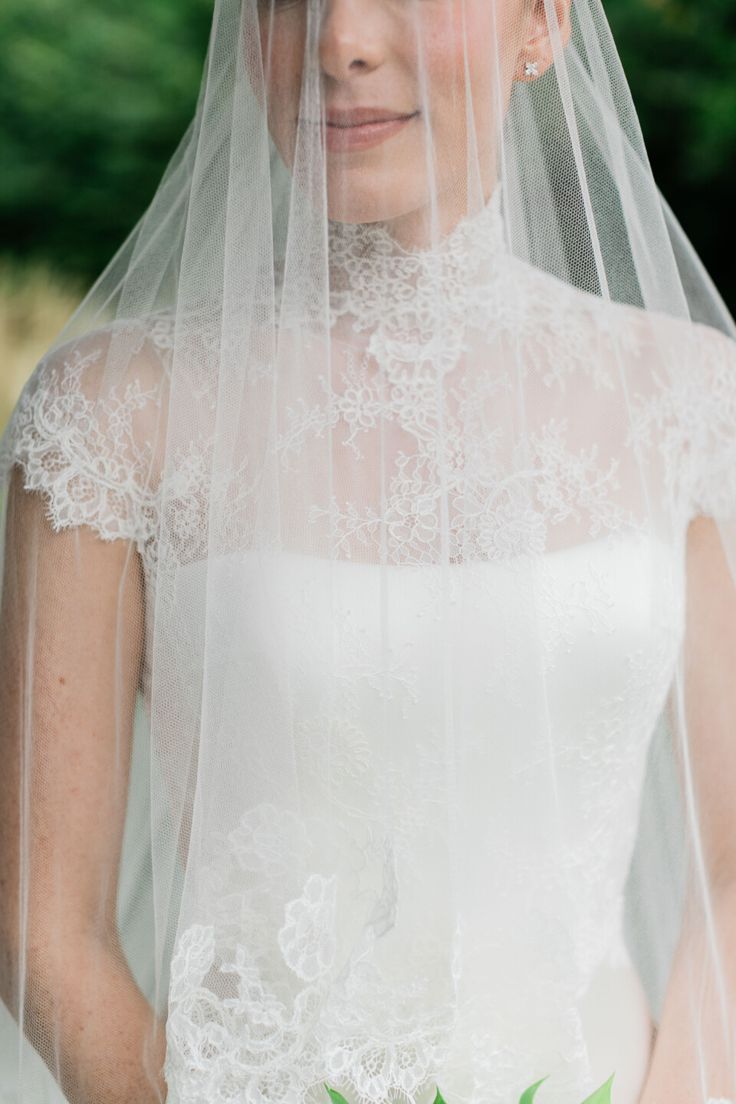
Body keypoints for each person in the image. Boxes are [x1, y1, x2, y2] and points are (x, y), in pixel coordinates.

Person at [1, 0, 736, 1102]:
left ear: (540, 25)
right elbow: (39, 923)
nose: (338, 39)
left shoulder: (687, 400)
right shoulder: (114, 417)